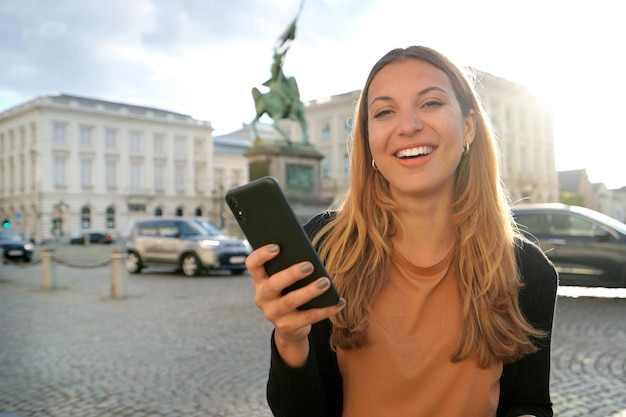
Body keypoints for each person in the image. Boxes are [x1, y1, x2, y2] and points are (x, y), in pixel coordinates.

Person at [246, 45, 558, 417]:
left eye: (430, 104)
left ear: (469, 128)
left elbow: (529, 402)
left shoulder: (527, 269)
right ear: (368, 142)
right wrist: (289, 336)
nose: (408, 126)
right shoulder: (324, 247)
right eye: (384, 111)